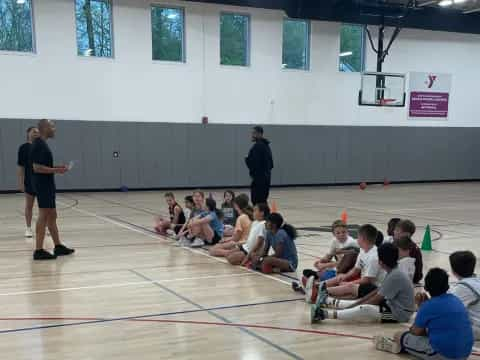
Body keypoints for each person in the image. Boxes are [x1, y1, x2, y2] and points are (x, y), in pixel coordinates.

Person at [375, 268, 474, 360]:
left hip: (443, 354)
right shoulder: (456, 299)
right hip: (465, 353)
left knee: (399, 335)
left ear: (426, 287)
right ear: (447, 286)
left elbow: (416, 332)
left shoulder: (429, 306)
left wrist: (421, 307)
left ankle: (399, 347)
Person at [311, 243, 415, 324]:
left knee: (365, 309)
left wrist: (357, 306)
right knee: (360, 303)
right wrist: (357, 303)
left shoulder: (395, 276)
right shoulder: (393, 271)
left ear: (381, 262)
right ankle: (327, 300)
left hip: (400, 315)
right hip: (391, 305)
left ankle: (323, 314)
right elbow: (377, 292)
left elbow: (376, 299)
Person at [305, 224, 385, 304]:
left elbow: (367, 280)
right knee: (340, 277)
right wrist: (345, 276)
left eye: (358, 237)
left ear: (363, 238)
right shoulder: (363, 250)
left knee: (349, 287)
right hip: (364, 283)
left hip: (374, 288)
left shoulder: (374, 257)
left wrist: (349, 283)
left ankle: (318, 292)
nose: (357, 239)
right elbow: (356, 269)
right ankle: (317, 286)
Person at [31, 119, 74, 260]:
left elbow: (43, 165)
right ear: (45, 128)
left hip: (47, 184)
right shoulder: (39, 144)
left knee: (52, 215)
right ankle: (38, 250)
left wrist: (57, 167)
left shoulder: (43, 144)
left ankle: (58, 246)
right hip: (43, 185)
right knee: (43, 215)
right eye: (52, 126)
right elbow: (36, 167)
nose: (54, 129)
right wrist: (56, 170)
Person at [293, 220, 358, 293]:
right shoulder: (335, 241)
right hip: (338, 269)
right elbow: (329, 256)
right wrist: (320, 262)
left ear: (347, 232)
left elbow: (345, 262)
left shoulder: (351, 243)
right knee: (310, 272)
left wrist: (325, 265)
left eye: (343, 232)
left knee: (323, 274)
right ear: (334, 234)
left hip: (347, 271)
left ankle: (308, 286)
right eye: (338, 233)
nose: (341, 235)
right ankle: (310, 284)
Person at [17, 126, 40, 238]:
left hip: (41, 181)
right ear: (28, 133)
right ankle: (28, 228)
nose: (36, 133)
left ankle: (44, 227)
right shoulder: (23, 148)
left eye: (37, 132)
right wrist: (21, 183)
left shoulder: (41, 146)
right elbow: (21, 167)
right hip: (29, 181)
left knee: (44, 207)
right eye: (34, 131)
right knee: (29, 206)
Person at [245, 126, 273, 205]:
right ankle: (265, 216)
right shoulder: (266, 146)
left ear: (260, 134)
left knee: (257, 202)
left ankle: (260, 217)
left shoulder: (258, 146)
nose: (252, 135)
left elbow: (254, 165)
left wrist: (247, 159)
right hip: (266, 180)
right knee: (262, 202)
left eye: (254, 133)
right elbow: (271, 164)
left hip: (259, 181)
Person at [394, 219, 423, 284]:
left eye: (397, 230)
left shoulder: (412, 249)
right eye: (395, 230)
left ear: (407, 234)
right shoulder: (395, 243)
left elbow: (417, 273)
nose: (394, 232)